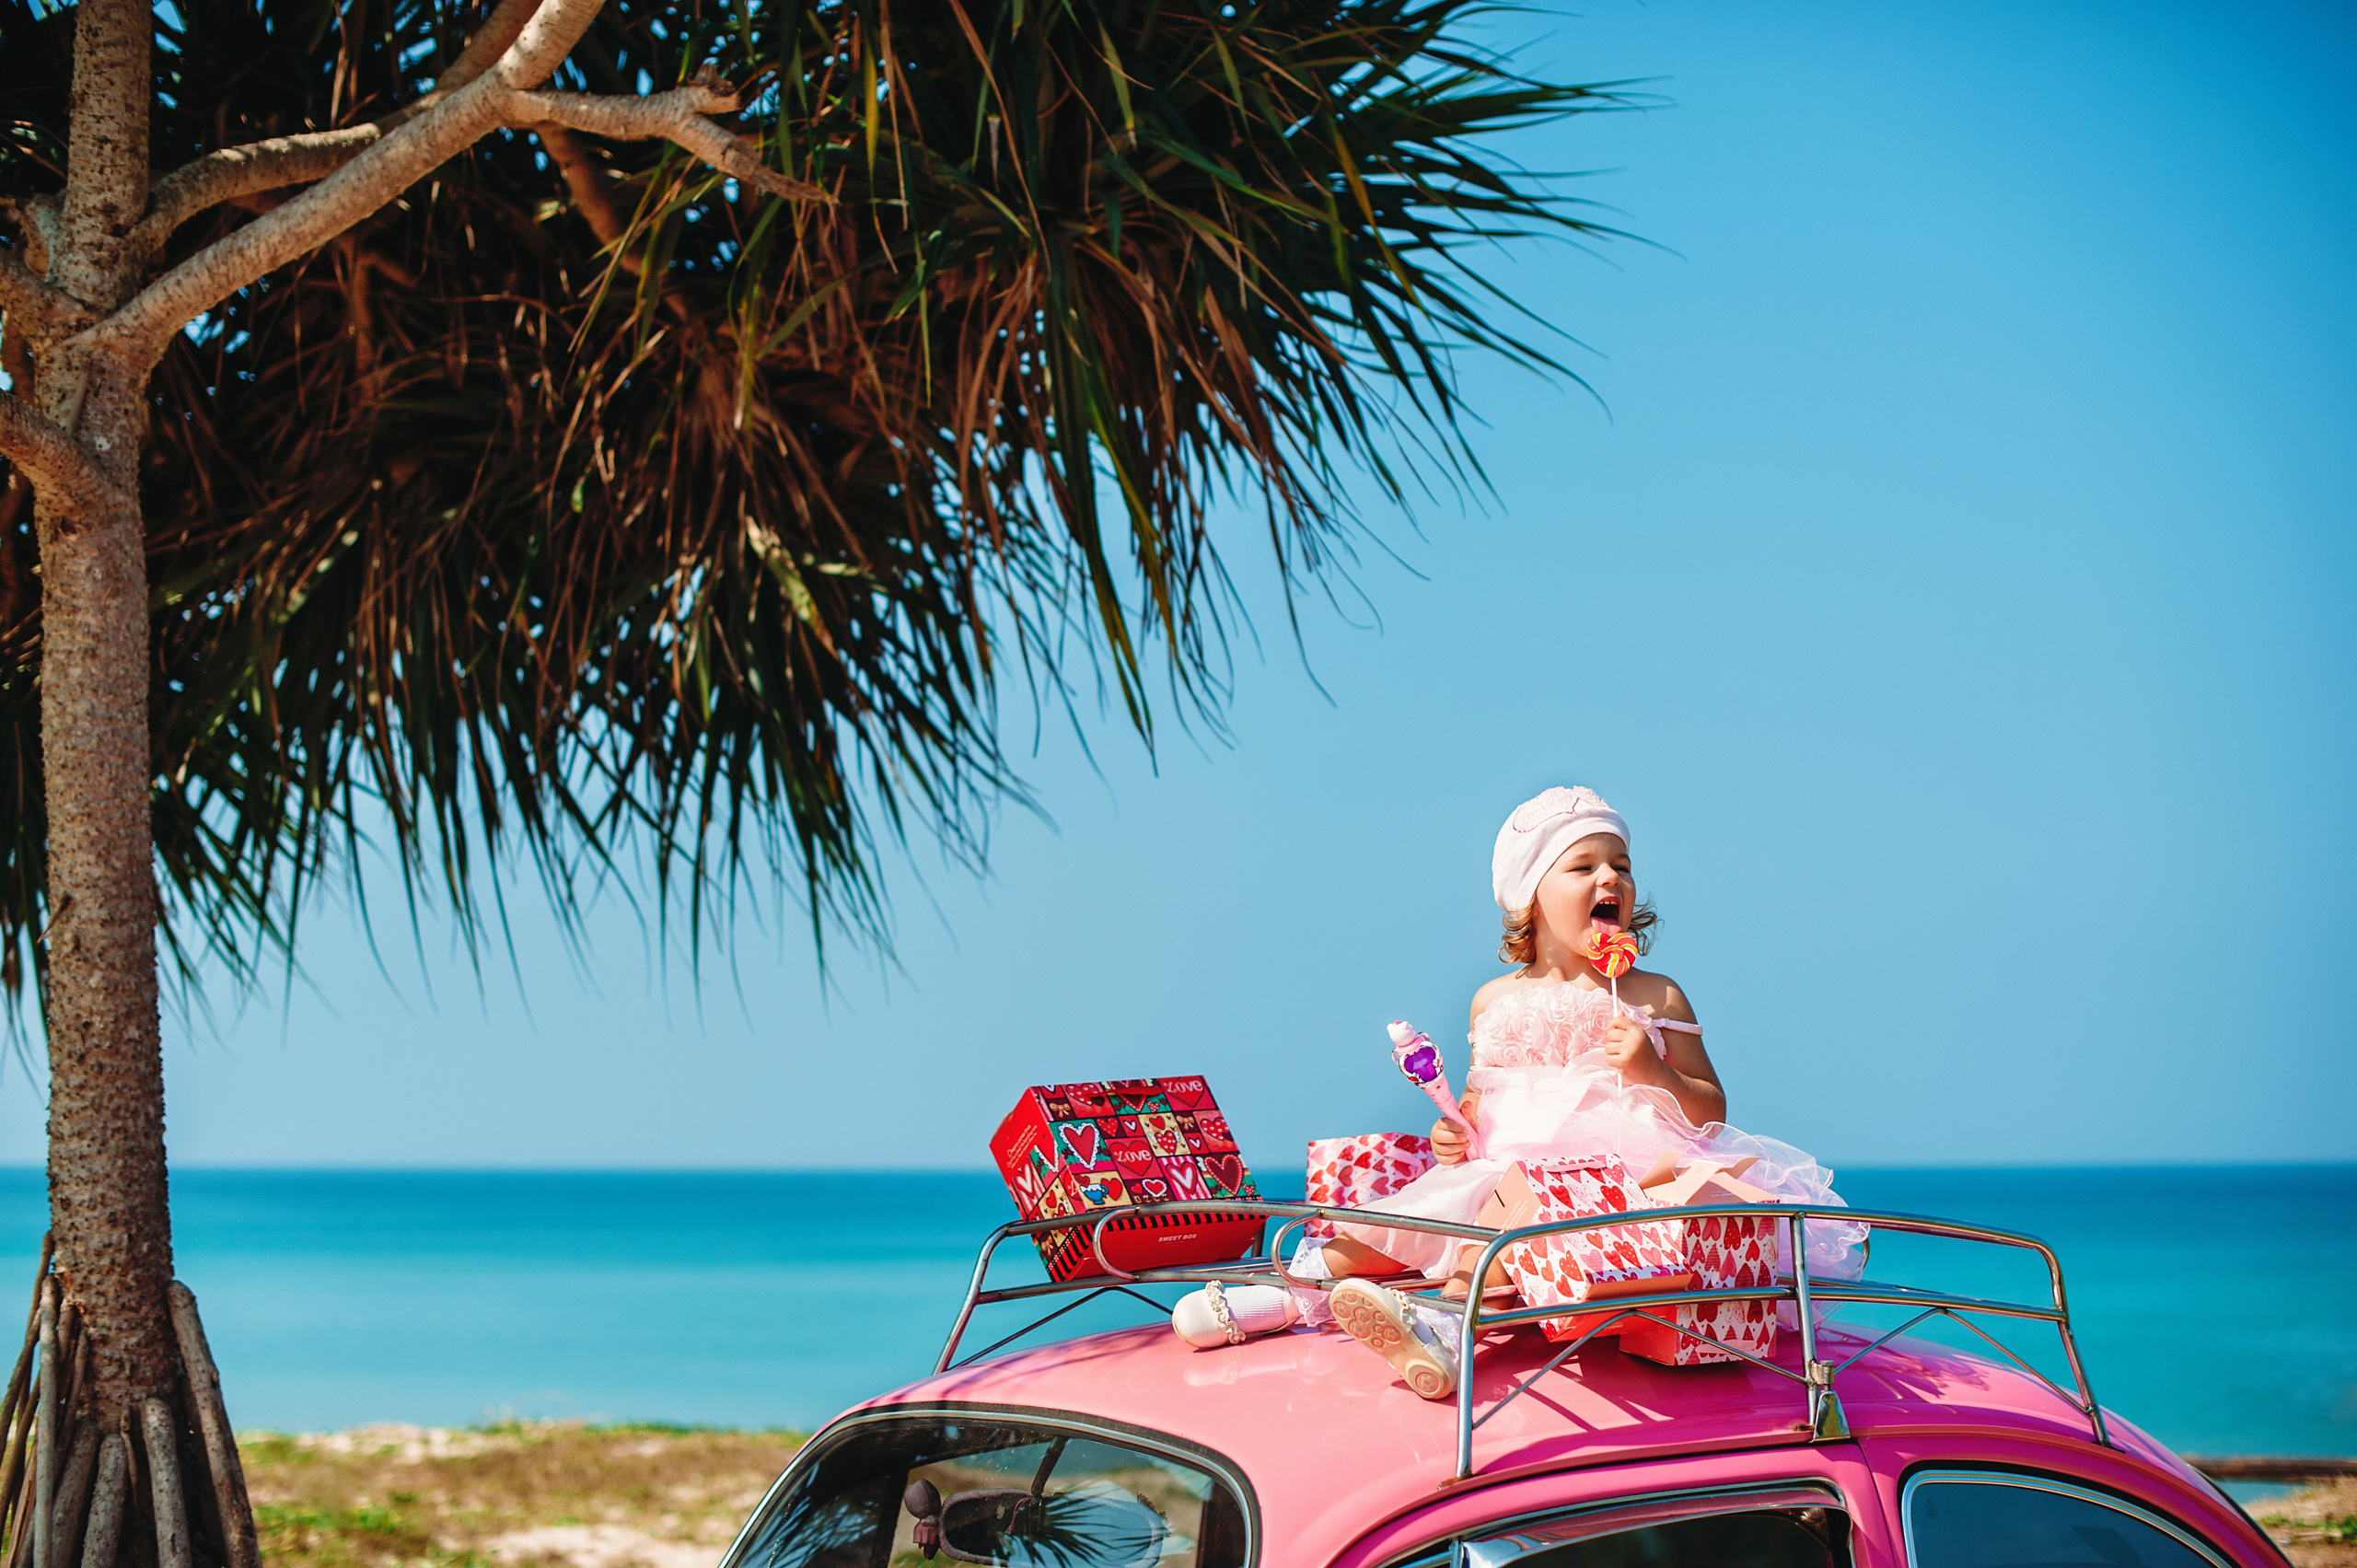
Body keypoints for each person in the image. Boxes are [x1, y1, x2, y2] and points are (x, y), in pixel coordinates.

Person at [1169, 785, 1864, 1401]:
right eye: (1583, 866)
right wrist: (1454, 1130)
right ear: (1531, 895)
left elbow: (1711, 1108)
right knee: (1417, 1224)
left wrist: (1653, 1073)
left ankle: (1443, 1325)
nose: (1610, 878)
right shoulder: (1493, 1001)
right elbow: (1479, 1103)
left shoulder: (1654, 995)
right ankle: (1295, 1291)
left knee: (1506, 1227)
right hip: (1502, 1171)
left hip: (1618, 1185)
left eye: (1621, 865)